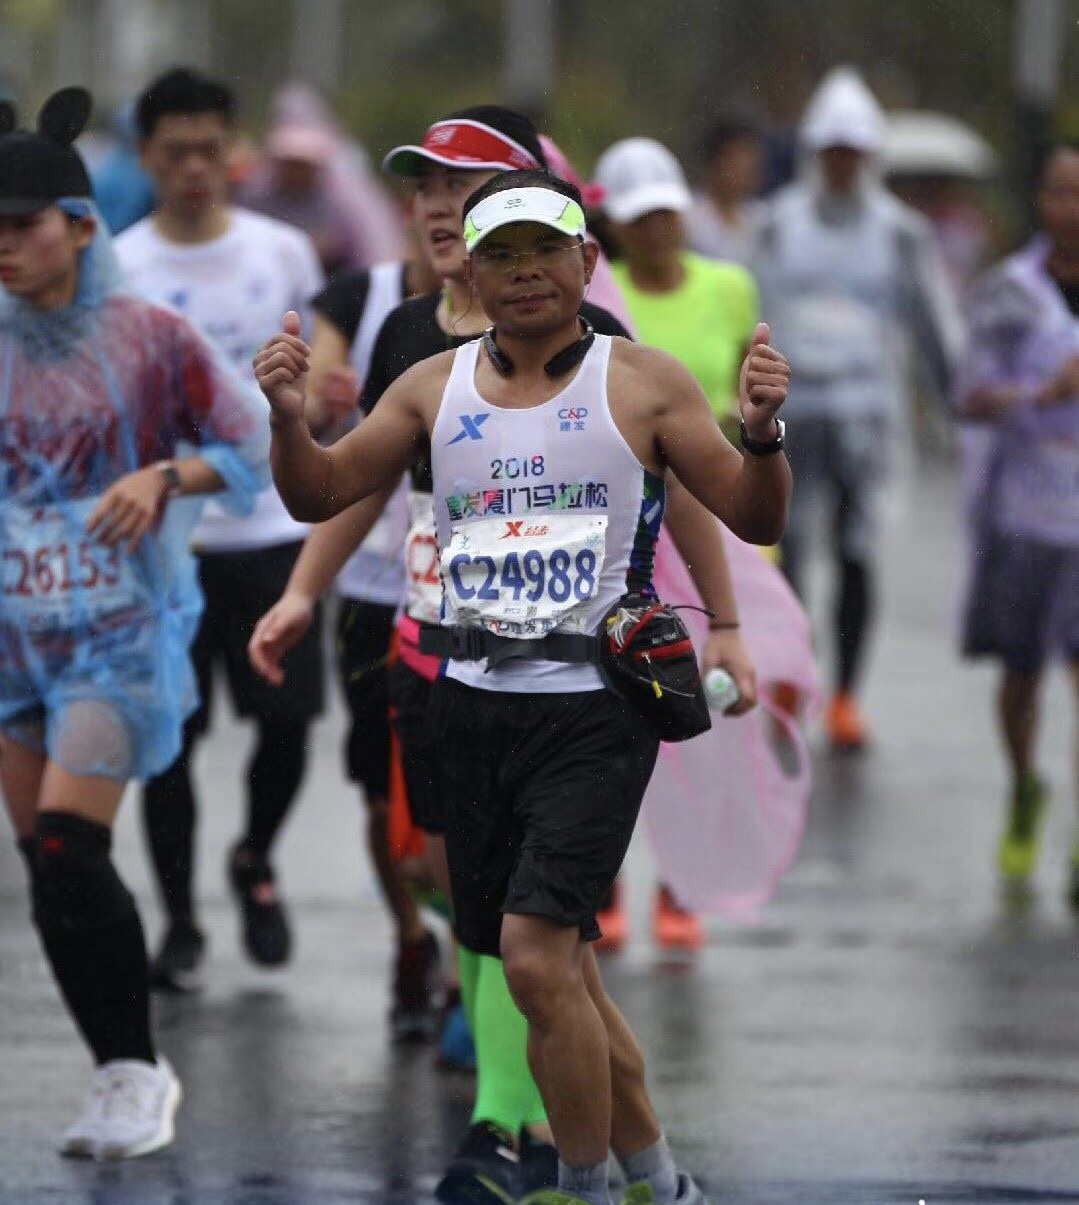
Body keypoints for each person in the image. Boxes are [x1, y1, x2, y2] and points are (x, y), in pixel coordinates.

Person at [256, 168, 791, 1205]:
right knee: (565, 972)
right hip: (468, 701)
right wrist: (285, 420)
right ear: (469, 269)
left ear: (586, 261)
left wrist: (762, 433)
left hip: (596, 706)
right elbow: (320, 490)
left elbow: (751, 513)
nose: (525, 271)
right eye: (499, 254)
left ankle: (580, 1184)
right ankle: (660, 1179)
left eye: (546, 248)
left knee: (536, 961)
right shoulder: (430, 385)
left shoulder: (644, 382)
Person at [0, 87, 267, 1159]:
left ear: (78, 224)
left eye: (21, 224)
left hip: (117, 634)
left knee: (72, 846)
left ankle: (140, 1070)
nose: (3, 244)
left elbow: (251, 446)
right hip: (14, 638)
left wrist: (164, 475)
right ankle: (118, 1070)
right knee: (48, 869)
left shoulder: (150, 338)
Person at [115, 67, 325, 989]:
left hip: (275, 528)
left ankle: (254, 857)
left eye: (210, 149)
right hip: (168, 543)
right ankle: (179, 920)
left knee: (288, 726)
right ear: (146, 157)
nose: (196, 168)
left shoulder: (282, 252)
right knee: (170, 742)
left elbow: (316, 372)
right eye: (176, 153)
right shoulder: (119, 264)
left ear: (232, 151)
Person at [751, 67, 961, 750]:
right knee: (792, 545)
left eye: (852, 151)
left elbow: (933, 321)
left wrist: (961, 406)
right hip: (796, 406)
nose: (842, 162)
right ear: (816, 151)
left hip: (866, 410)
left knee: (856, 549)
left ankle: (845, 694)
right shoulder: (777, 224)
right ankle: (791, 675)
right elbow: (748, 309)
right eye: (831, 150)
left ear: (867, 155)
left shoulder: (898, 231)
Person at [592, 134, 762, 951]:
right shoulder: (598, 292)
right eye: (639, 217)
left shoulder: (729, 286)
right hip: (628, 532)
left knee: (701, 712)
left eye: (666, 212)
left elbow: (746, 389)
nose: (655, 229)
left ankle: (680, 885)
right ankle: (604, 882)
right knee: (613, 709)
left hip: (714, 517)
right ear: (613, 226)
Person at [304, 244, 446, 1041]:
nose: (441, 207)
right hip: (374, 590)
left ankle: (470, 972)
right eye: (428, 190)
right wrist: (306, 407)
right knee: (383, 797)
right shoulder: (375, 308)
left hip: (492, 608)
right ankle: (410, 938)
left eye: (460, 189)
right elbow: (338, 451)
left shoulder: (563, 323)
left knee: (468, 803)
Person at [954, 142, 1079, 899]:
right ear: (1040, 200)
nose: (1073, 208)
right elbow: (969, 395)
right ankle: (1025, 785)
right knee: (1022, 673)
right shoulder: (1009, 290)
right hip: (1024, 514)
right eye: (1062, 192)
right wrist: (1042, 393)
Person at [684, 116, 765, 266]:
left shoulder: (761, 217)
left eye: (751, 161)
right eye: (737, 160)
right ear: (714, 162)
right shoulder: (688, 217)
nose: (746, 169)